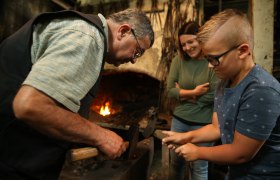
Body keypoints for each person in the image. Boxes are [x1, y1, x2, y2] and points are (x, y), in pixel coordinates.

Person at [0, 8, 154, 179]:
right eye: (138, 51)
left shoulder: (84, 33)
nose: (134, 59)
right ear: (123, 31)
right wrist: (100, 136)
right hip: (9, 158)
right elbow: (29, 105)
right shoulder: (87, 38)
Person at [162, 9, 280, 179]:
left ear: (242, 51)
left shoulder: (261, 91)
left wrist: (198, 152)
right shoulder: (224, 81)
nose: (210, 66)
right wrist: (184, 137)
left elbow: (241, 153)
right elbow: (217, 128)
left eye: (214, 59)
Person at [166, 21, 219, 180]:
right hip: (179, 120)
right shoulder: (178, 61)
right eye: (183, 44)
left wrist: (183, 94)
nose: (187, 48)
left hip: (203, 124)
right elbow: (170, 90)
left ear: (201, 39)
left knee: (199, 168)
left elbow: (215, 93)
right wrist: (194, 93)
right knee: (176, 163)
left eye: (191, 42)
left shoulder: (212, 61)